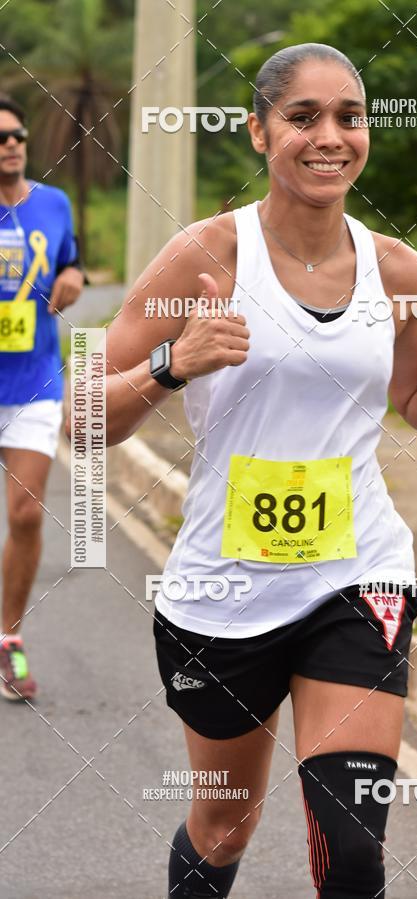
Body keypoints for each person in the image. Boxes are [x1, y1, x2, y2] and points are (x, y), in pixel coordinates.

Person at [100, 44, 417, 898]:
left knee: (353, 844)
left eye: (349, 117)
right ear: (258, 132)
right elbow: (84, 415)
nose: (330, 137)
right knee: (223, 824)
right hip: (224, 589)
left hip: (358, 573)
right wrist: (172, 364)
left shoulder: (396, 268)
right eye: (303, 117)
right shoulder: (206, 255)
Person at [0, 96, 85, 701]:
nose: (10, 143)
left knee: (26, 514)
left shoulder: (53, 203)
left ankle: (8, 640)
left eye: (17, 134)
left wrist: (74, 278)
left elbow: (72, 262)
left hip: (34, 382)